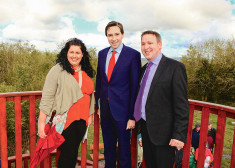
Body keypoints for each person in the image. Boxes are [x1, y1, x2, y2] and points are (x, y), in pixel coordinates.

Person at [134, 30, 189, 168]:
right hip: (146, 131)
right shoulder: (144, 68)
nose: (146, 47)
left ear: (159, 45)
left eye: (150, 43)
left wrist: (179, 135)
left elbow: (181, 105)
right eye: (143, 44)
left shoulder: (175, 67)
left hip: (165, 136)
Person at [38, 38, 95, 168]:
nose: (74, 56)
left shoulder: (85, 71)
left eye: (78, 52)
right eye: (71, 52)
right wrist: (41, 123)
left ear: (82, 54)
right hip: (65, 120)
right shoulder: (58, 70)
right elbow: (47, 96)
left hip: (81, 121)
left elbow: (90, 94)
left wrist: (90, 115)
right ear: (66, 53)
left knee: (73, 153)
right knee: (67, 156)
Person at [95, 21, 141, 168]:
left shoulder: (133, 55)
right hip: (106, 111)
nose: (113, 38)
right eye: (110, 35)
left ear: (122, 34)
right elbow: (100, 81)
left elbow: (135, 87)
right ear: (106, 37)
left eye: (116, 34)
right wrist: (97, 104)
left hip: (123, 113)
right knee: (108, 150)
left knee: (124, 153)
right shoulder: (102, 54)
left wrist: (132, 116)